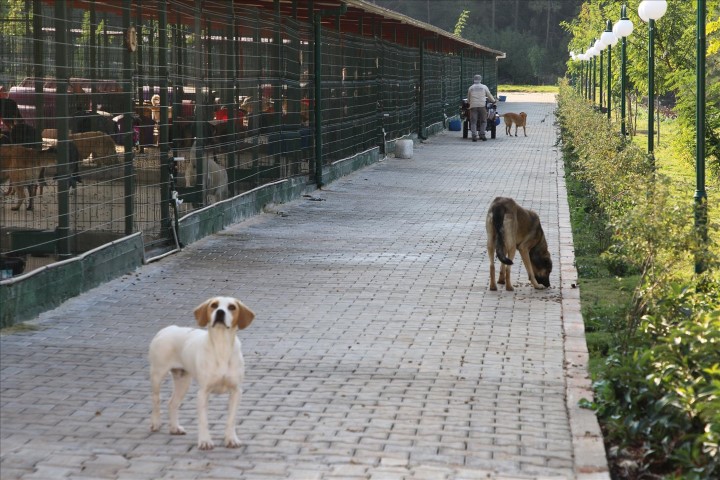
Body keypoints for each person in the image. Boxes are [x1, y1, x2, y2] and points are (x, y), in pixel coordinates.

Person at [467, 74, 496, 142]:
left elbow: (468, 99)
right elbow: (489, 95)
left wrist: (470, 103)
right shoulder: (484, 87)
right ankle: (482, 134)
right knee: (483, 121)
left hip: (473, 106)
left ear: (473, 79)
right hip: (482, 106)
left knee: (473, 122)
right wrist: (493, 101)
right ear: (480, 80)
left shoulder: (471, 88)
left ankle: (474, 136)